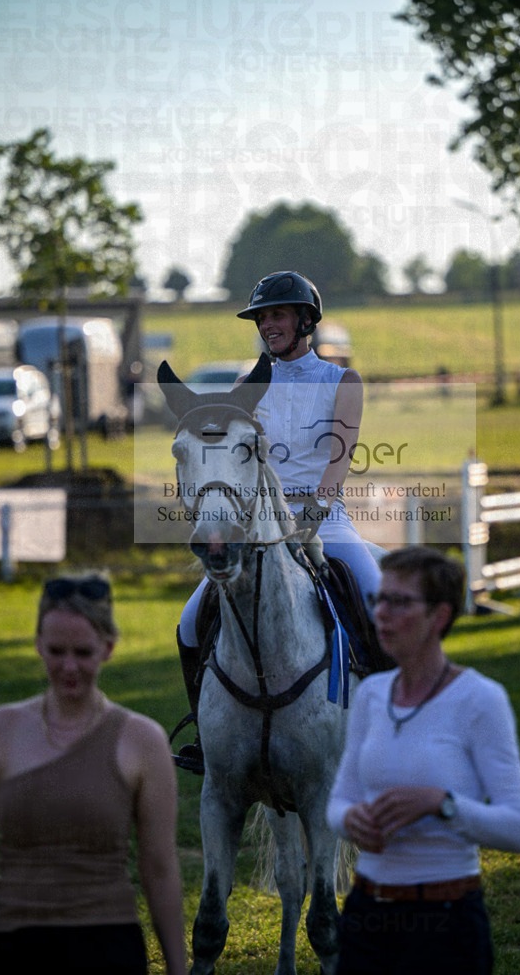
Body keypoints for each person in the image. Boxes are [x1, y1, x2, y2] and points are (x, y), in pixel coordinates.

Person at [175, 271, 381, 768]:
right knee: (188, 622)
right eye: (262, 317)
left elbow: (340, 457)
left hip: (326, 522)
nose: (268, 324)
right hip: (260, 523)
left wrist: (312, 516)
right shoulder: (247, 385)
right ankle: (208, 735)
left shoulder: (342, 381)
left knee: (377, 599)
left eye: (278, 315)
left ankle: (389, 729)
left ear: (305, 319)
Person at [0, 574, 187, 975]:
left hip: (108, 945)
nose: (69, 667)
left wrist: (177, 966)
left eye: (83, 652)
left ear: (109, 648)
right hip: (14, 946)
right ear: (37, 646)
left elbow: (160, 866)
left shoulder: (142, 739)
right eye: (56, 651)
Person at [326, 546, 520, 975]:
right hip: (365, 912)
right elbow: (337, 804)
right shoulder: (370, 695)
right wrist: (353, 822)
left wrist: (441, 803)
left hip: (445, 918)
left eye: (399, 602)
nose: (381, 613)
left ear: (439, 617)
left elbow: (518, 829)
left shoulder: (480, 700)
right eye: (379, 599)